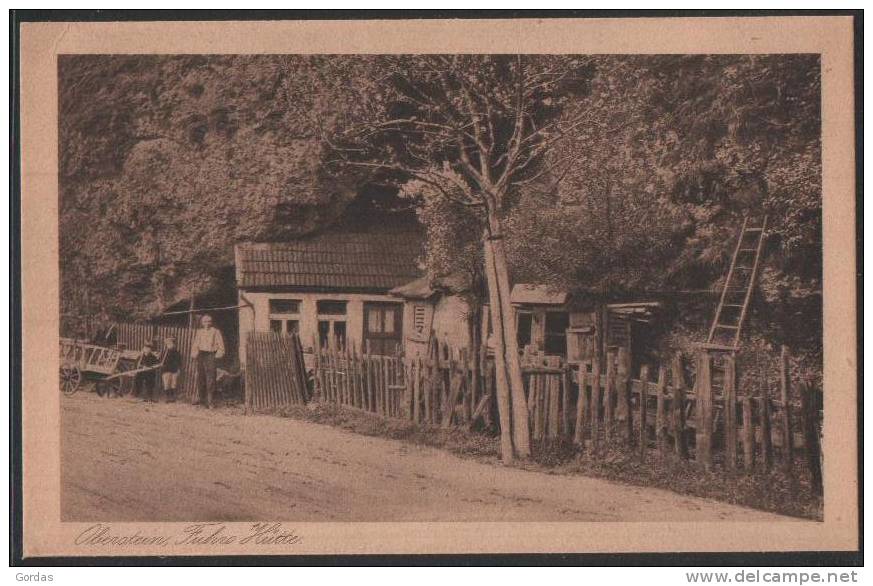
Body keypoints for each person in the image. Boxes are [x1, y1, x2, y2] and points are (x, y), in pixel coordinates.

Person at [191, 314, 225, 408]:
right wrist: (194, 354)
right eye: (205, 321)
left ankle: (210, 401)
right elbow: (196, 344)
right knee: (201, 377)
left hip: (211, 355)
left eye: (209, 321)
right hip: (201, 355)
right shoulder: (199, 332)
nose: (207, 323)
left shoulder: (216, 331)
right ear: (202, 323)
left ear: (211, 322)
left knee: (211, 378)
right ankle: (202, 400)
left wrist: (217, 355)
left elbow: (221, 345)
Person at [161, 336, 182, 403]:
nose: (170, 345)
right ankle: (167, 397)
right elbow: (161, 361)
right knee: (167, 384)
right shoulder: (164, 353)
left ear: (174, 344)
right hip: (166, 370)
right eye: (168, 344)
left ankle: (172, 397)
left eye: (172, 343)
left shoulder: (177, 352)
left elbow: (179, 362)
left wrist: (178, 369)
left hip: (174, 370)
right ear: (166, 345)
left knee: (173, 384)